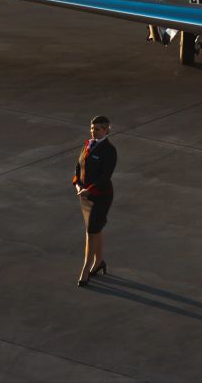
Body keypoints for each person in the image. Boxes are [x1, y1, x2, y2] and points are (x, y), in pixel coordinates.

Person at [73, 115, 116, 287]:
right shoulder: (87, 145)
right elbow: (78, 167)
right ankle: (99, 262)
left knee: (91, 231)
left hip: (101, 196)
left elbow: (105, 177)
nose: (94, 131)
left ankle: (85, 270)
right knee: (95, 229)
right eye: (92, 128)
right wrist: (78, 187)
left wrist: (88, 190)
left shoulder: (109, 150)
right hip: (84, 195)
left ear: (106, 130)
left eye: (98, 129)